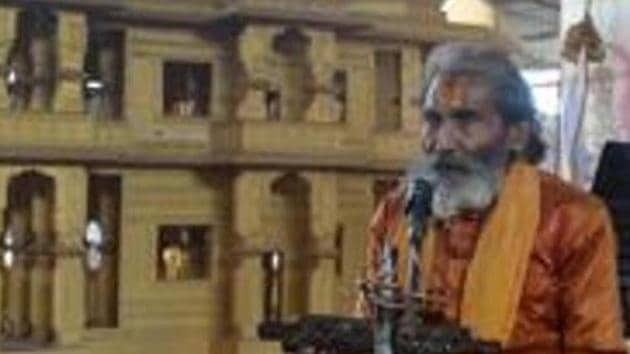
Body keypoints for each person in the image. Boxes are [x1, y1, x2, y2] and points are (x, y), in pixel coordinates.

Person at [363, 42, 626, 353]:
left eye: (465, 120)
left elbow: (596, 347)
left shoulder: (571, 218)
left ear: (517, 133)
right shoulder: (397, 211)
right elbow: (370, 330)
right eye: (433, 120)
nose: (443, 141)